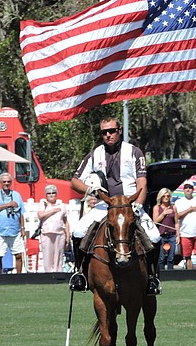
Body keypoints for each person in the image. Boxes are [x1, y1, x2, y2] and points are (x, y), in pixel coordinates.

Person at [68, 116, 162, 294]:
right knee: (78, 231)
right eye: (104, 132)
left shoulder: (134, 152)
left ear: (119, 131)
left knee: (155, 237)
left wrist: (137, 206)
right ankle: (80, 274)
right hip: (105, 205)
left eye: (111, 131)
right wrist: (91, 190)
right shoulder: (95, 154)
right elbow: (74, 182)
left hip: (129, 205)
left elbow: (142, 183)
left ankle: (152, 278)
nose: (108, 135)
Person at [0, 173, 26, 274]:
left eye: (8, 182)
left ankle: (19, 276)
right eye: (4, 182)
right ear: (0, 182)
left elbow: (21, 213)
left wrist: (22, 228)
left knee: (18, 254)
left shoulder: (17, 195)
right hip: (0, 230)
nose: (6, 183)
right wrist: (8, 205)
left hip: (14, 230)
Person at [37, 184, 69, 273]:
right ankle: (48, 275)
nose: (51, 195)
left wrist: (68, 236)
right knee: (47, 256)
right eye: (49, 193)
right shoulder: (43, 204)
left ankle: (58, 273)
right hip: (46, 233)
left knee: (58, 256)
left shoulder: (62, 205)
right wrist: (53, 210)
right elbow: (40, 215)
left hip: (59, 233)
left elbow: (66, 221)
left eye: (53, 193)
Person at [175, 182, 196, 270]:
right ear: (183, 190)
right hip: (185, 233)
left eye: (190, 188)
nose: (188, 189)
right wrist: (190, 209)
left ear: (193, 189)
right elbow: (177, 216)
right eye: (186, 188)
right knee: (187, 256)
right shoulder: (179, 202)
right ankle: (190, 274)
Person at [152, 187, 177, 271]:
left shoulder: (173, 208)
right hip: (161, 235)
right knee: (161, 257)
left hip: (172, 235)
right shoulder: (156, 207)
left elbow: (176, 222)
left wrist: (178, 235)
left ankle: (171, 274)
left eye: (168, 196)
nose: (166, 197)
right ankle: (161, 274)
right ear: (160, 197)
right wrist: (163, 213)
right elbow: (155, 221)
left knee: (171, 257)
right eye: (164, 196)